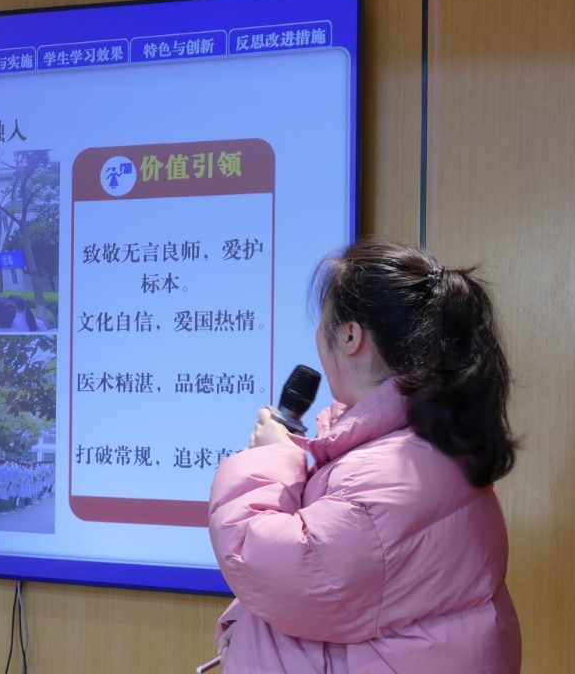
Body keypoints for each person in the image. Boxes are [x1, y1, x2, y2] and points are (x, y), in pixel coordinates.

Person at [207, 239, 521, 673]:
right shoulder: (428, 442)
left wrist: (271, 458)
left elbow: (272, 565)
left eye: (323, 321)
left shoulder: (382, 474)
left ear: (350, 336)